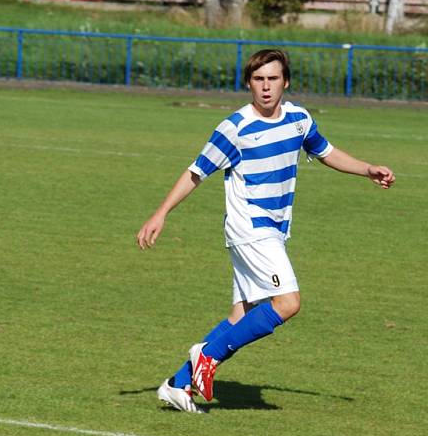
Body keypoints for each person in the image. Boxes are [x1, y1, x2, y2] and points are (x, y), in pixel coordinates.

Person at [136, 48, 395, 414]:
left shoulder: (298, 120)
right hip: (250, 229)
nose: (266, 87)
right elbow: (197, 172)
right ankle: (206, 354)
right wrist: (161, 213)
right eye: (259, 80)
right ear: (249, 84)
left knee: (241, 316)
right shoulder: (235, 128)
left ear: (285, 81)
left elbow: (326, 152)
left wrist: (367, 169)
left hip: (274, 229)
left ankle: (178, 385)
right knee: (288, 303)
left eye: (273, 79)